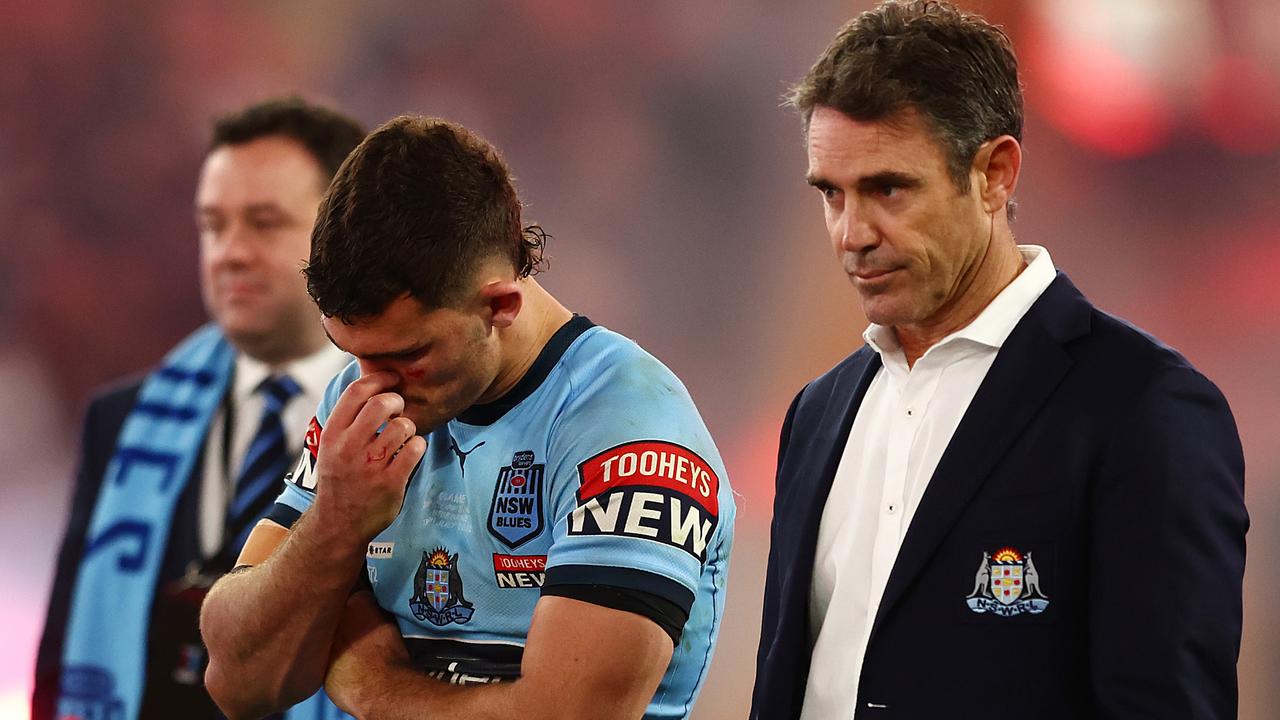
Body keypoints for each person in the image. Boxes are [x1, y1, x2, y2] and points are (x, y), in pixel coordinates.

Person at [750, 2, 1248, 718]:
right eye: (831, 193)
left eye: (887, 188)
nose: (850, 234)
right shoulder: (817, 413)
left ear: (995, 174)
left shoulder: (1145, 409)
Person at [199, 115, 735, 720]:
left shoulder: (631, 428)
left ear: (499, 304)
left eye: (407, 355)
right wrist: (333, 525)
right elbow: (239, 678)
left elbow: (562, 716)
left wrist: (373, 687)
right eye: (353, 352)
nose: (374, 386)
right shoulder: (361, 398)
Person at [33, 98, 366, 720]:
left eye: (264, 222)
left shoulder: (425, 429)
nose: (230, 252)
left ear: (352, 235)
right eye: (213, 225)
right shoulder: (121, 421)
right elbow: (56, 674)